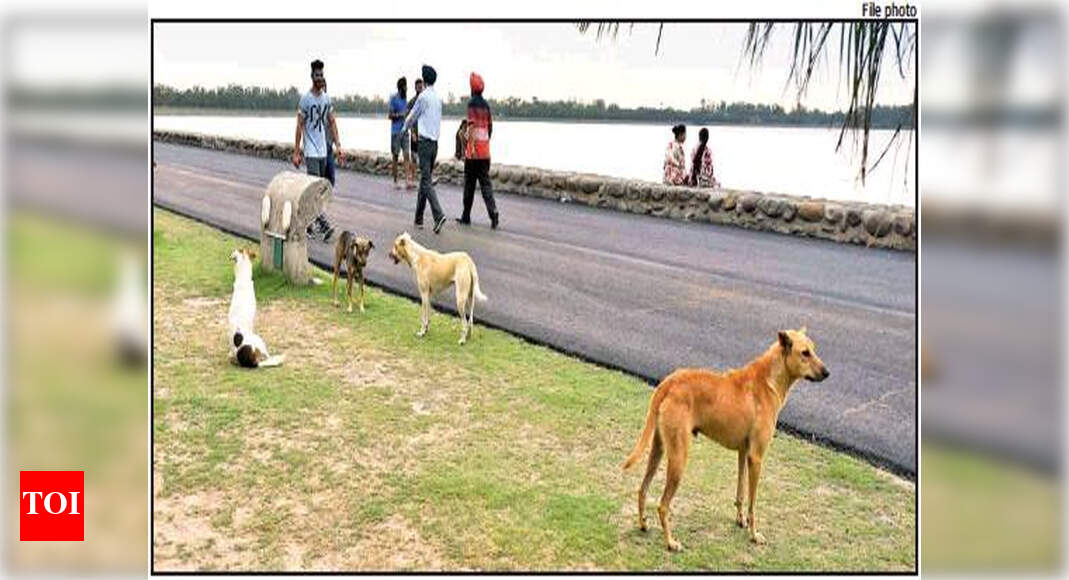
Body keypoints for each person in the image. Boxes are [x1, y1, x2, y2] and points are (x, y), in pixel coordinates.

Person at [291, 59, 343, 241]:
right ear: (311, 76)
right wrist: (297, 152)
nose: (320, 77)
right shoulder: (306, 99)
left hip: (323, 151)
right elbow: (299, 126)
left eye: (322, 74)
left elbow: (332, 122)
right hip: (311, 151)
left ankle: (307, 224)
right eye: (317, 75)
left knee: (319, 189)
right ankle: (323, 224)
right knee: (314, 189)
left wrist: (338, 146)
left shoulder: (326, 99)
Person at [402, 64, 447, 234]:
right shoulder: (437, 99)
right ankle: (418, 218)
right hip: (435, 144)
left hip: (424, 144)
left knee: (426, 180)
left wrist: (403, 129)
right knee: (424, 178)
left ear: (424, 79)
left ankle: (438, 215)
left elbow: (412, 116)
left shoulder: (423, 97)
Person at [456, 72, 499, 229]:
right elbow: (490, 127)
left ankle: (466, 216)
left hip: (473, 153)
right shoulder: (486, 106)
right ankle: (493, 211)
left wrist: (470, 147)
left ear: (472, 88)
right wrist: (485, 143)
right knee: (486, 184)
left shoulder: (471, 105)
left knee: (469, 185)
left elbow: (471, 126)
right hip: (485, 152)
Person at [388, 77, 414, 189]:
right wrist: (400, 115)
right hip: (395, 132)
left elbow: (407, 115)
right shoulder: (393, 98)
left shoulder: (405, 99)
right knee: (395, 156)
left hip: (405, 131)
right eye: (404, 86)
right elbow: (390, 115)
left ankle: (407, 180)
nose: (406, 88)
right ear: (400, 87)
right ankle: (395, 181)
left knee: (407, 155)